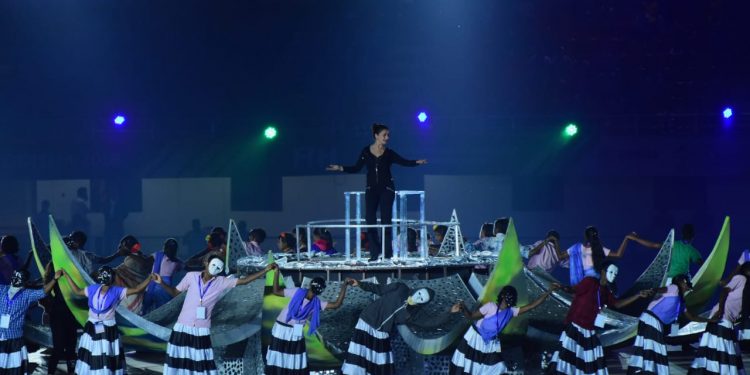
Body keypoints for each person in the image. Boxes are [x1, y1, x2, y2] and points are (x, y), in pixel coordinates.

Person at [155, 255, 275, 374]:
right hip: (183, 325)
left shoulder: (221, 281)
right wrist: (161, 283)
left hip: (201, 328)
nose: (215, 268)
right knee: (179, 358)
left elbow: (243, 281)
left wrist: (265, 270)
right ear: (206, 262)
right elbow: (176, 292)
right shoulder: (191, 276)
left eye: (219, 267)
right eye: (214, 264)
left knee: (200, 360)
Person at [327, 123, 427, 261]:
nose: (387, 137)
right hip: (371, 189)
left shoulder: (389, 153)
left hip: (387, 188)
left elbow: (404, 162)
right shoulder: (366, 152)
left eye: (388, 135)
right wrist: (340, 168)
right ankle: (374, 253)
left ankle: (387, 253)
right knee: (370, 219)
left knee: (386, 221)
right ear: (376, 136)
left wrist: (417, 162)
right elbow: (356, 168)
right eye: (384, 135)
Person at [548, 261, 652, 375]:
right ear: (603, 272)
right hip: (576, 325)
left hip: (589, 329)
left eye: (616, 274)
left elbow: (617, 304)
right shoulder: (590, 282)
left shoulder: (606, 291)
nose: (613, 275)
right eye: (611, 272)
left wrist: (637, 295)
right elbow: (573, 289)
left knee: (590, 359)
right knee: (567, 356)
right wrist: (562, 287)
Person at [449, 284, 560, 374]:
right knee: (466, 366)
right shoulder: (491, 306)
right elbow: (471, 316)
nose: (509, 300)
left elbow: (532, 306)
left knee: (499, 367)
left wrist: (548, 292)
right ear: (502, 296)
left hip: (492, 343)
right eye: (507, 296)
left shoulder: (512, 311)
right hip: (475, 338)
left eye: (511, 297)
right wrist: (463, 308)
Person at [63, 266, 153, 374]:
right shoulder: (117, 291)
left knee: (93, 351)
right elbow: (138, 289)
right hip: (107, 328)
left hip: (93, 325)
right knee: (105, 353)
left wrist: (65, 274)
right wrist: (150, 277)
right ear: (113, 278)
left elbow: (76, 291)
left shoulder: (93, 288)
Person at [341, 278, 436, 375]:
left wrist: (450, 313)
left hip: (382, 331)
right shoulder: (401, 288)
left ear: (423, 303)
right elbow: (379, 289)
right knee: (359, 355)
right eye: (419, 294)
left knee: (381, 362)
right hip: (367, 321)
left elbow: (431, 322)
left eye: (422, 299)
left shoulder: (413, 313)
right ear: (418, 290)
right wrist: (360, 284)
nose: (418, 297)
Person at [265, 271, 349, 374]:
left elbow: (276, 291)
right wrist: (344, 285)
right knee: (293, 358)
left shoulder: (297, 291)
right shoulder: (317, 303)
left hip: (280, 328)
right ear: (320, 292)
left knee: (278, 357)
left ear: (310, 285)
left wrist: (276, 272)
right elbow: (337, 304)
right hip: (295, 332)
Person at [627, 274, 712, 374]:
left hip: (654, 322)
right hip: (650, 320)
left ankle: (640, 371)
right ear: (682, 282)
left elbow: (692, 317)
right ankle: (645, 371)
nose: (687, 290)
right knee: (654, 350)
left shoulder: (681, 302)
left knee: (649, 350)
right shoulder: (674, 288)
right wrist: (652, 290)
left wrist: (709, 321)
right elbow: (663, 289)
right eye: (686, 286)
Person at [689, 262, 750, 374]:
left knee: (721, 348)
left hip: (728, 320)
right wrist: (721, 310)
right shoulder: (740, 278)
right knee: (721, 348)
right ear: (747, 271)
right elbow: (724, 291)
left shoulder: (747, 285)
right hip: (721, 316)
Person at [0, 268, 62, 375]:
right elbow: (44, 291)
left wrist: (54, 279)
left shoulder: (25, 294)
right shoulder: (2, 290)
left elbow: (43, 292)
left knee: (13, 366)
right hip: (5, 337)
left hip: (14, 339)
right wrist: (54, 279)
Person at [556, 226, 640, 286]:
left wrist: (555, 241)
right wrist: (626, 239)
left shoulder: (576, 247)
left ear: (586, 236)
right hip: (590, 285)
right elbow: (618, 255)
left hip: (581, 285)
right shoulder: (597, 249)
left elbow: (559, 256)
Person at [624, 224, 703, 284]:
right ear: (693, 236)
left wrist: (635, 238)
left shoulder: (672, 244)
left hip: (668, 281)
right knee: (687, 276)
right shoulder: (692, 251)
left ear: (682, 234)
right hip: (680, 282)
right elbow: (701, 264)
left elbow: (653, 245)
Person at [113, 235, 153, 314]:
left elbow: (145, 264)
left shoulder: (143, 258)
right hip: (128, 287)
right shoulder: (131, 257)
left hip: (134, 289)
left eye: (123, 247)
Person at [143, 238, 183, 314]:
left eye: (172, 249)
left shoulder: (177, 262)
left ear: (175, 250)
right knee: (147, 308)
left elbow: (186, 267)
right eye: (168, 248)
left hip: (165, 290)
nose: (170, 250)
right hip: (152, 287)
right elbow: (145, 262)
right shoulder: (157, 255)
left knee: (162, 310)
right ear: (165, 248)